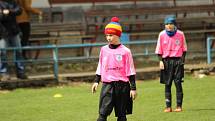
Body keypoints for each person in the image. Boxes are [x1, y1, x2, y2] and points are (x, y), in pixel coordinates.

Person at [91, 17, 137, 121]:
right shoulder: (103, 50)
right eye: (107, 35)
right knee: (102, 114)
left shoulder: (126, 51)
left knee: (122, 115)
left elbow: (130, 70)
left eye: (111, 35)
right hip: (107, 86)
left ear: (118, 35)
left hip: (123, 87)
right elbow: (100, 66)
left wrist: (133, 88)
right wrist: (96, 81)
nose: (108, 37)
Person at [155, 15, 187, 112]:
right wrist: (160, 61)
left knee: (178, 83)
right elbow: (159, 49)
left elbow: (184, 48)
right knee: (167, 84)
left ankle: (179, 106)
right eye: (167, 24)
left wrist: (182, 60)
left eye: (171, 24)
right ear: (165, 25)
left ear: (174, 25)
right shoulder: (161, 35)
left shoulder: (181, 34)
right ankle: (168, 106)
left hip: (177, 61)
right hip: (166, 61)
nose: (169, 26)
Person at [0, 0, 28, 81]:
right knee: (2, 53)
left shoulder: (13, 2)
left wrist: (8, 11)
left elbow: (19, 10)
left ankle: (20, 72)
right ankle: (3, 73)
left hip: (14, 32)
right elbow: (1, 17)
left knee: (18, 51)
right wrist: (5, 14)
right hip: (2, 33)